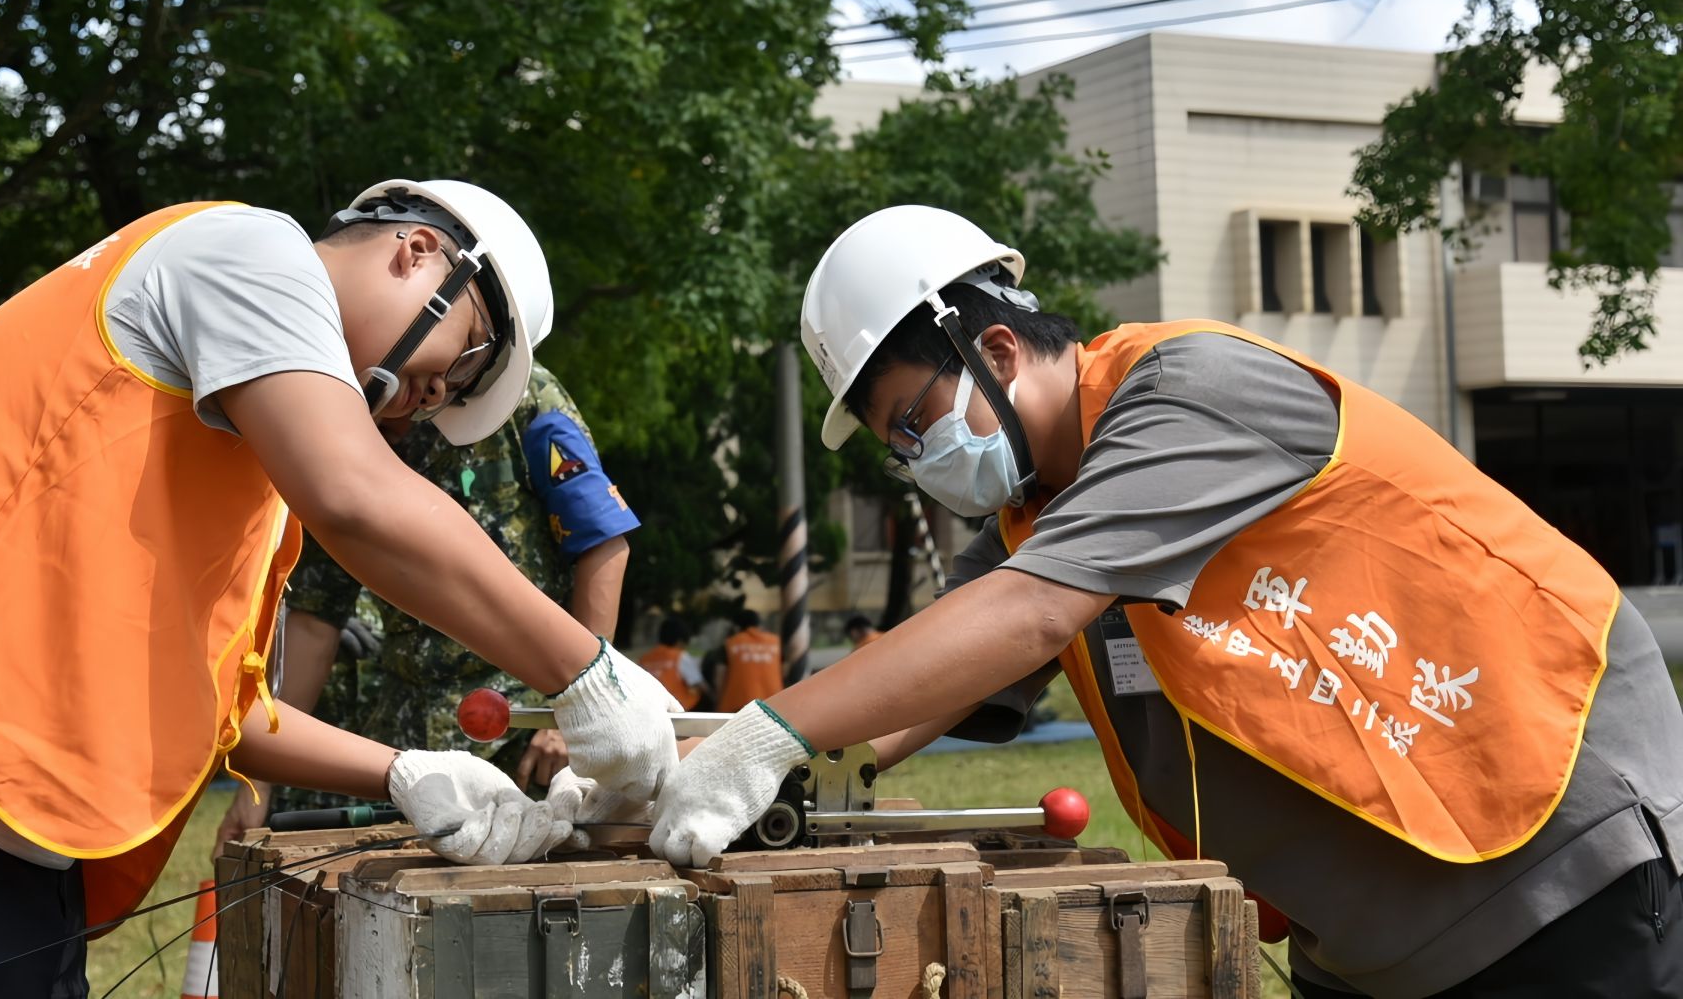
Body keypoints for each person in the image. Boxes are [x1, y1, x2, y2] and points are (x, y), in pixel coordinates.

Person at [651, 205, 1683, 998]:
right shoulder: (1042, 516)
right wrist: (698, 769)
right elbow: (932, 682)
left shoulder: (1186, 390)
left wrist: (761, 736)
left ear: (996, 352)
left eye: (916, 417)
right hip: (1381, 922)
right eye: (898, 445)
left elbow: (1027, 617)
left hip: (1550, 838)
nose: (918, 458)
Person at [0, 182, 678, 997]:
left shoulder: (249, 464)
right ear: (416, 252)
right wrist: (587, 673)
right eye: (461, 359)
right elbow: (358, 496)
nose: (431, 395)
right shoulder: (250, 249)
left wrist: (404, 773)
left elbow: (216, 704)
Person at [214, 359, 638, 845]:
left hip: (526, 738)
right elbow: (317, 615)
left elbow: (601, 543)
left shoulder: (522, 396)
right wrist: (259, 787)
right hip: (407, 741)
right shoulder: (342, 418)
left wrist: (574, 713)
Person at [713, 607, 784, 711]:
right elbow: (785, 670)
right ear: (759, 624)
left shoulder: (731, 643)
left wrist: (717, 700)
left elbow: (719, 676)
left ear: (736, 626)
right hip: (773, 704)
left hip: (738, 704)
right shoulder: (776, 642)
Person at [639, 616, 707, 712]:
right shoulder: (680, 656)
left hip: (650, 711)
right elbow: (699, 684)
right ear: (680, 641)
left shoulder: (644, 659)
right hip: (679, 712)